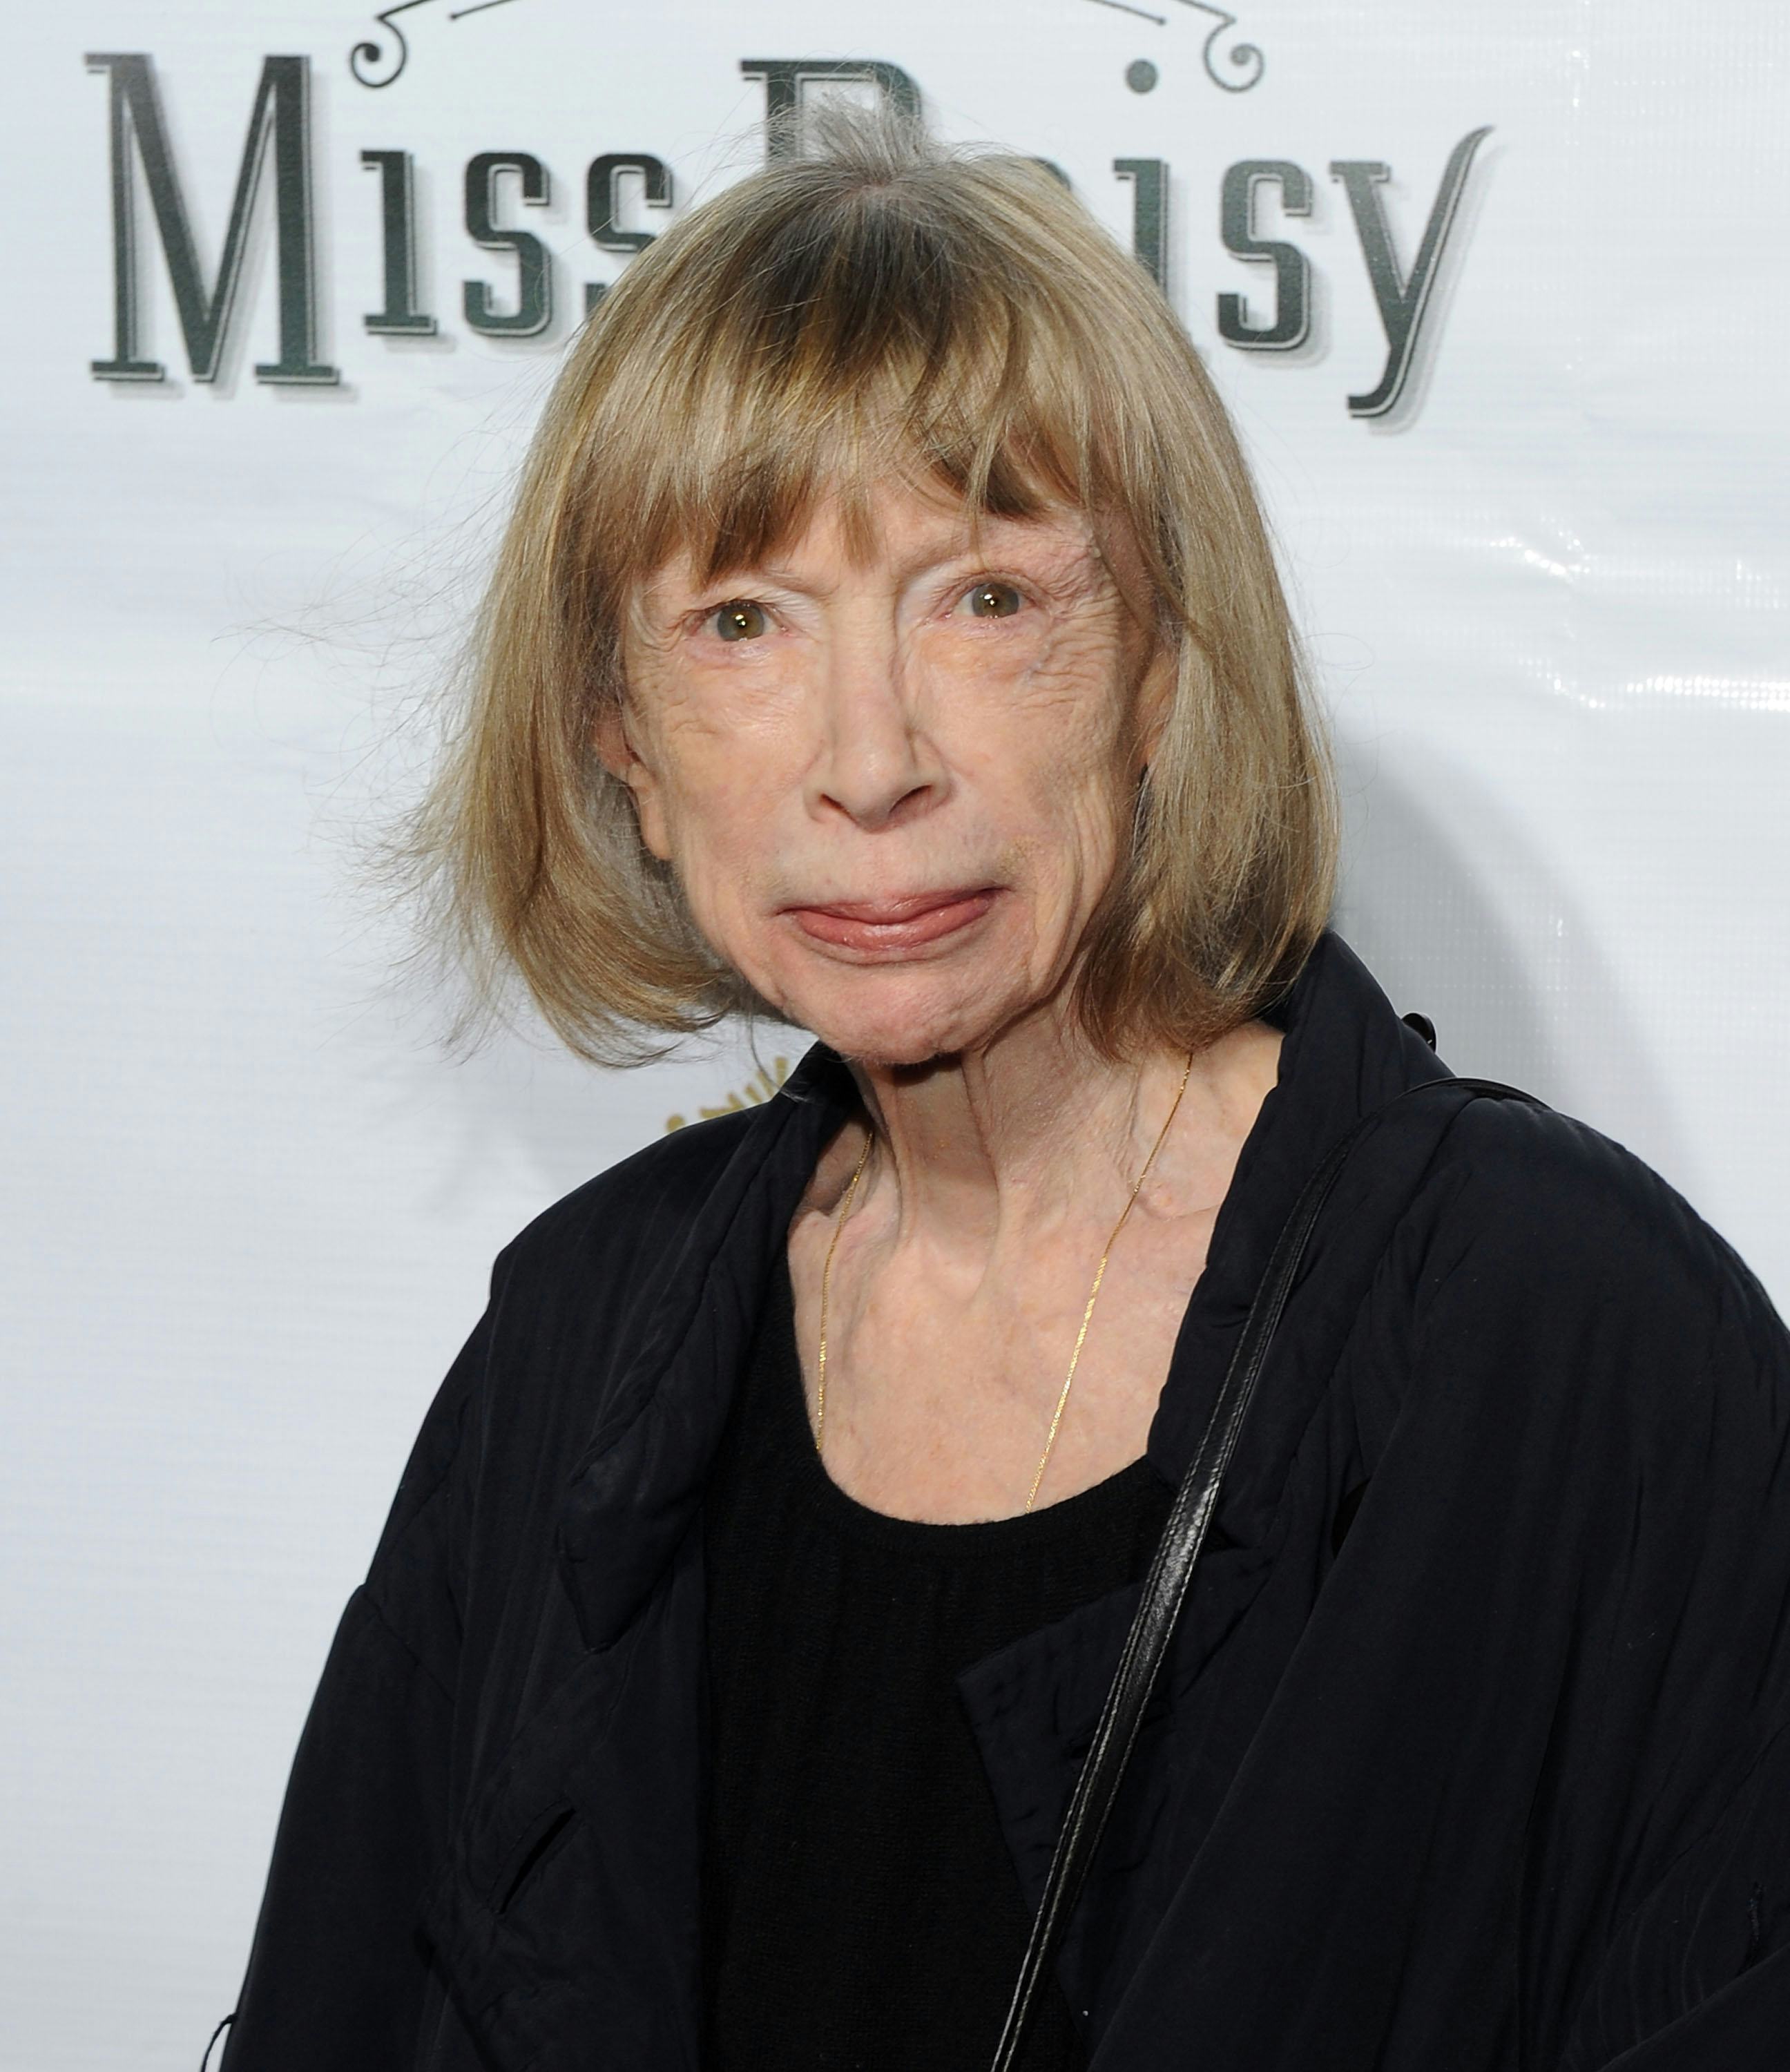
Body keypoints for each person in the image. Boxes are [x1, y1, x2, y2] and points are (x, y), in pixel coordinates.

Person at [215, 109, 1790, 2071]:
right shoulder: (574, 1346)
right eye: (742, 622)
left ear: (1161, 671)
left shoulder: (1568, 1337)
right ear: (621, 740)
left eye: (984, 600)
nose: (871, 761)